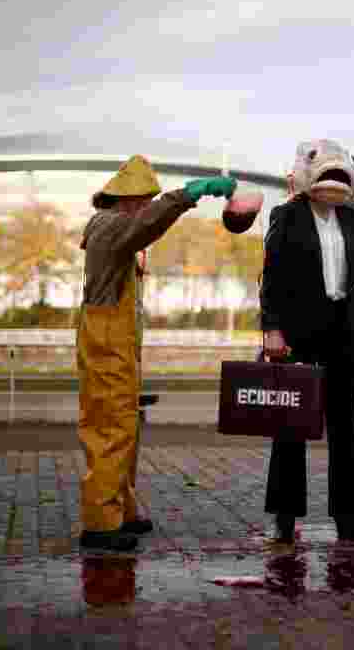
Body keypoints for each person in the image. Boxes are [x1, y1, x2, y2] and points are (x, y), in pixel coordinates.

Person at [78, 154, 236, 551]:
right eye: (144, 200)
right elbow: (148, 224)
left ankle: (121, 510)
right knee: (111, 429)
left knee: (124, 428)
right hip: (107, 346)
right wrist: (188, 195)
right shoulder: (112, 226)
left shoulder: (110, 228)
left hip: (115, 347)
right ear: (128, 200)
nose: (148, 207)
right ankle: (100, 523)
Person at [260, 139, 354, 544]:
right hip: (298, 336)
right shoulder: (285, 215)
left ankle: (349, 519)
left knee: (344, 427)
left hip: (343, 333)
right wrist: (272, 329)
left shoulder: (352, 220)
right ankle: (284, 517)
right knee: (291, 427)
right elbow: (272, 278)